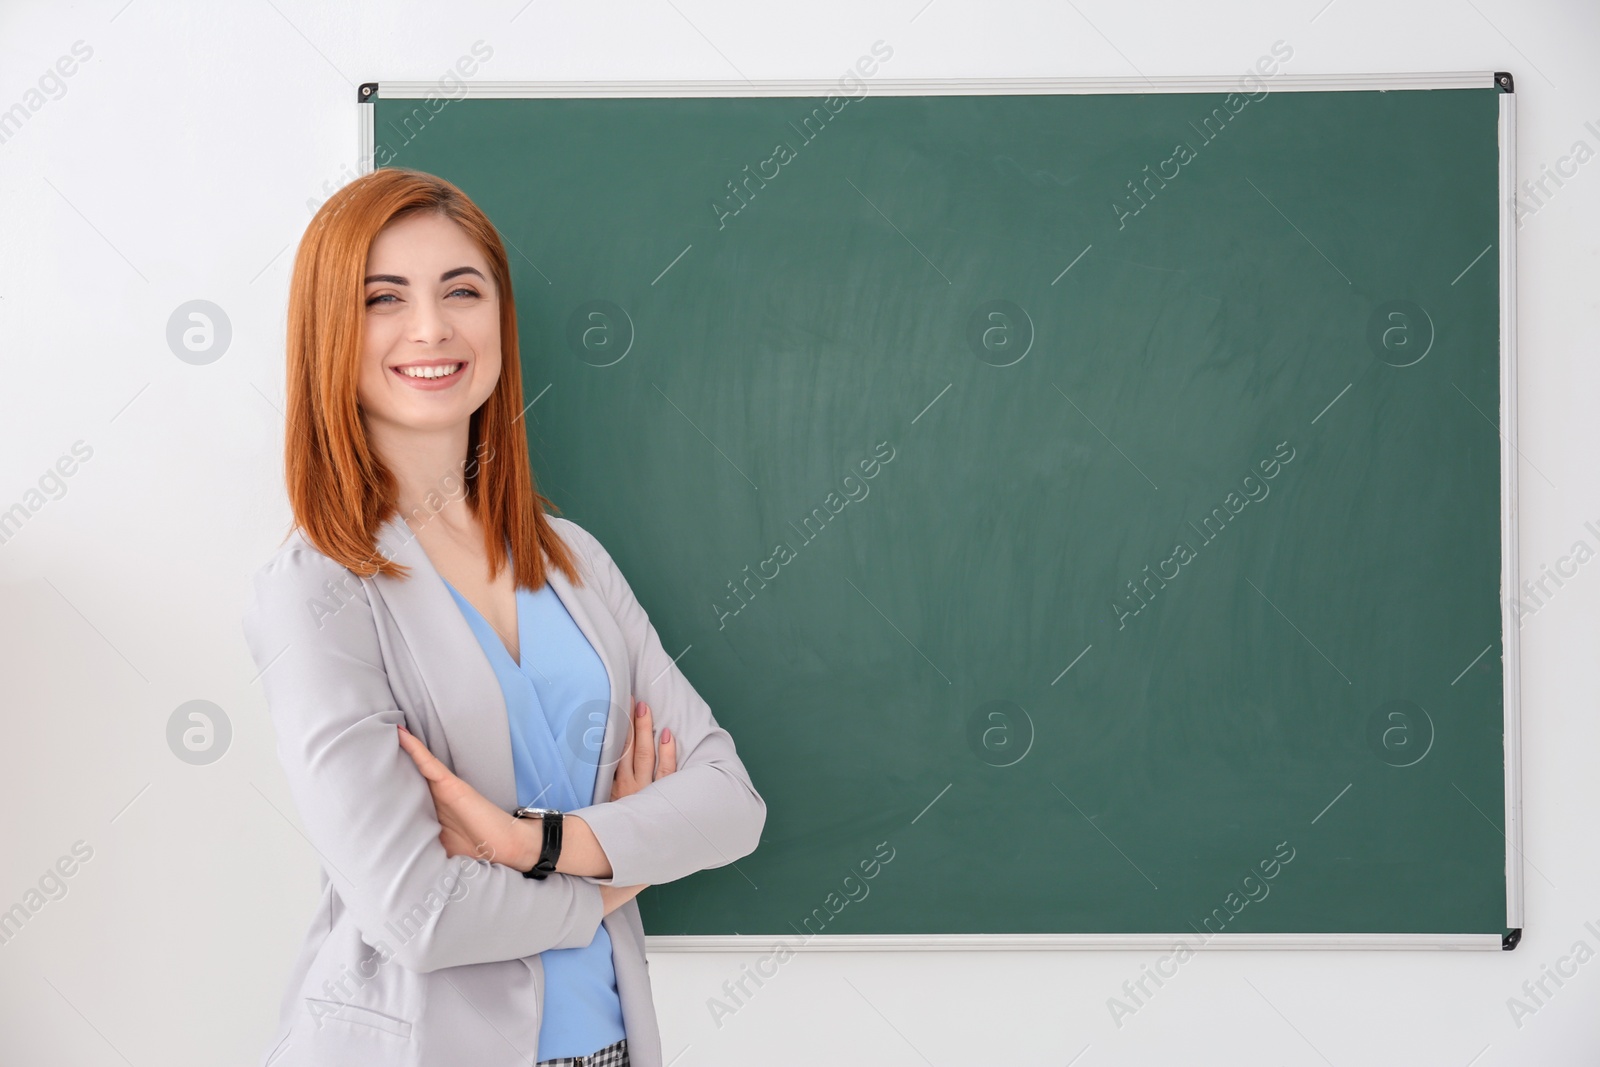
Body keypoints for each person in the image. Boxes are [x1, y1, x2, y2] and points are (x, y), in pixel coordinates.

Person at [240, 167, 766, 1067]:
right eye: (383, 297)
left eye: (462, 291)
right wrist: (622, 861)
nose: (432, 327)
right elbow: (422, 912)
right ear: (330, 327)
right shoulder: (315, 588)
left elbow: (730, 803)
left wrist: (535, 842)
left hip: (606, 1046)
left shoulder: (571, 557)